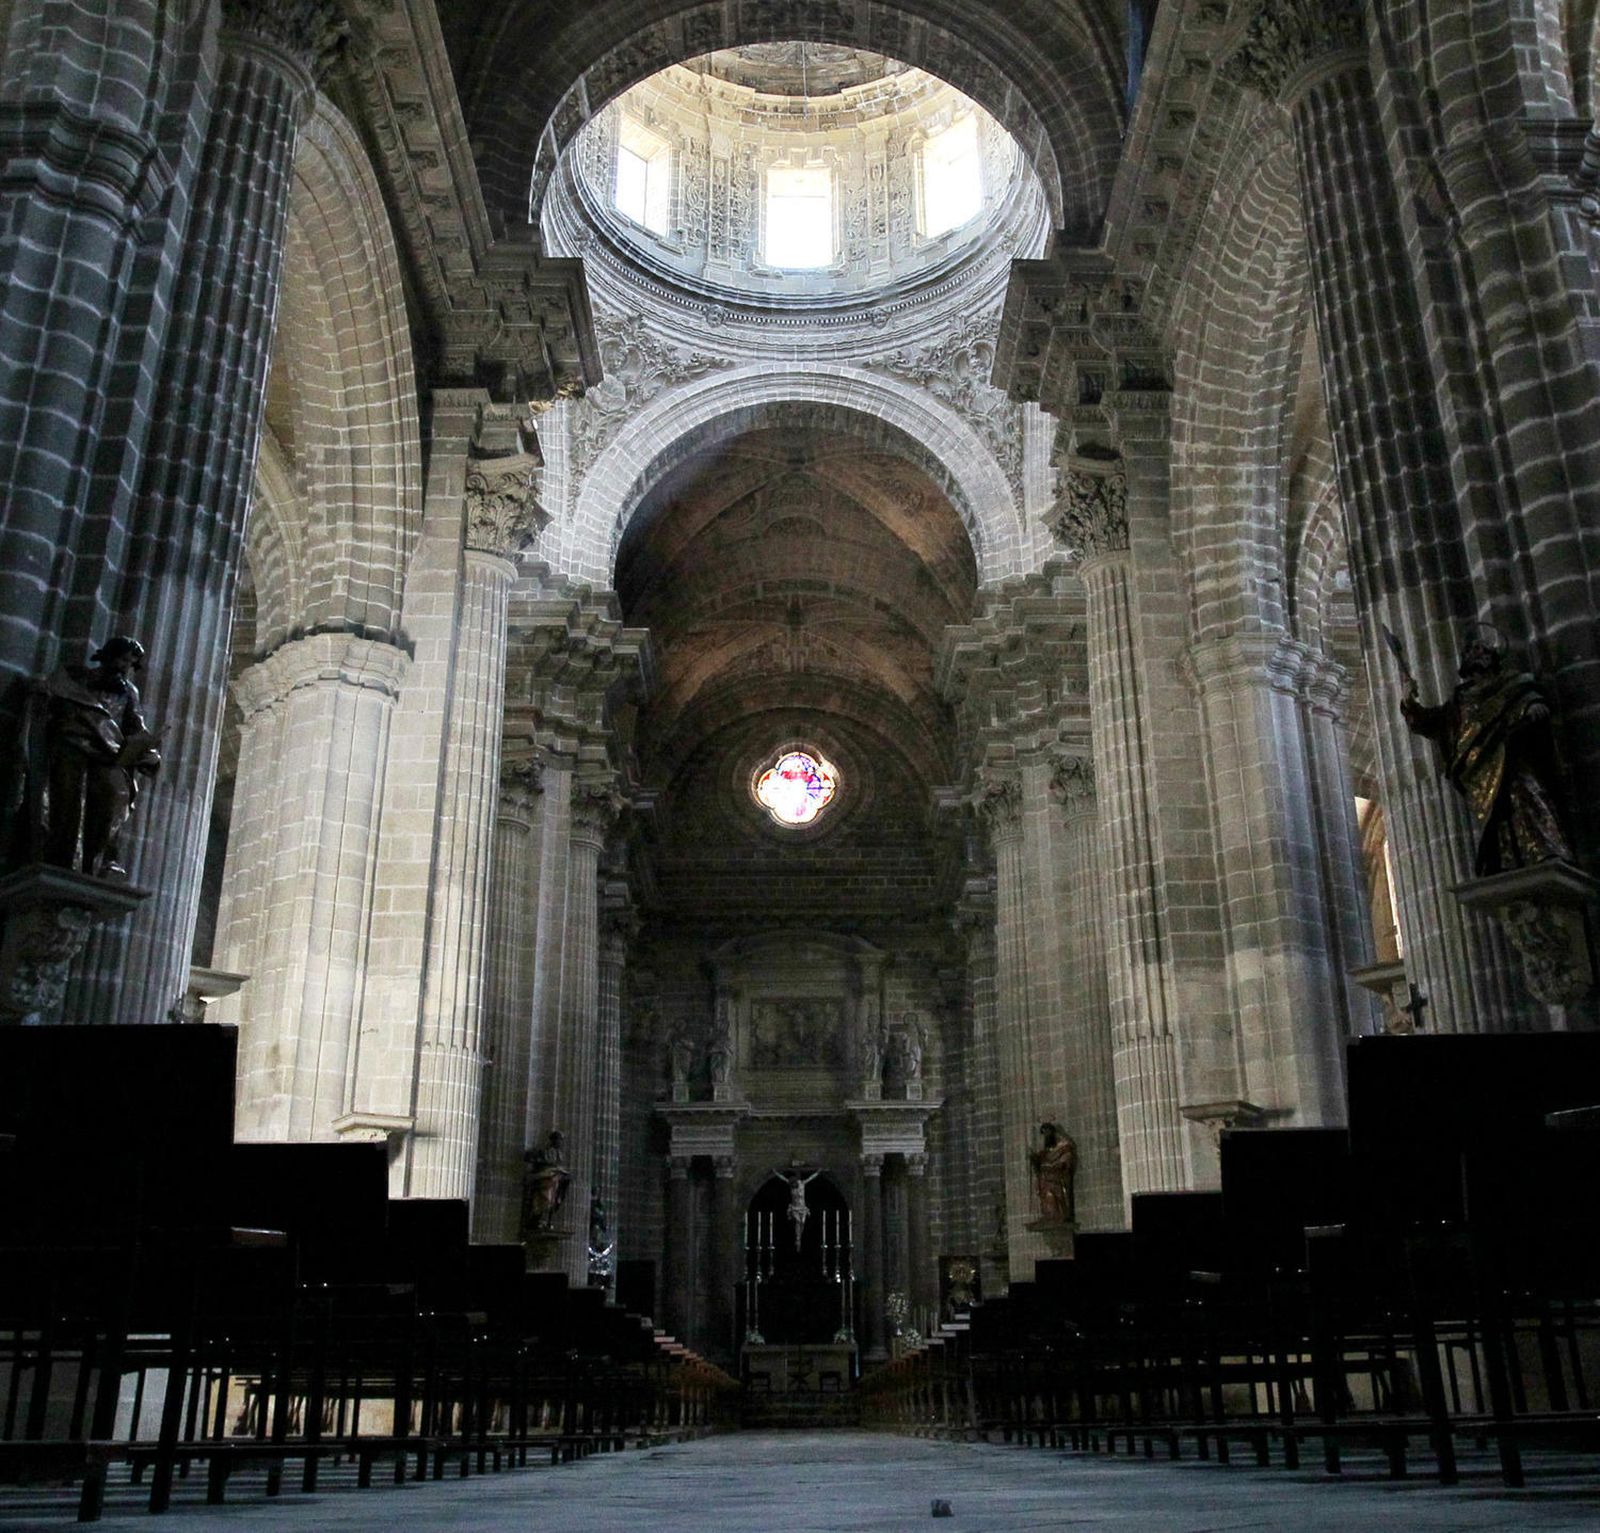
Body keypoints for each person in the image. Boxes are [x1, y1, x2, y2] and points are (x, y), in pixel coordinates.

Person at [1399, 632, 1572, 876]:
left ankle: (1546, 850)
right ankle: (1509, 861)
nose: (1477, 655)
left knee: (1524, 792)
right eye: (1472, 652)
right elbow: (1431, 723)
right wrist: (1409, 701)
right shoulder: (1460, 700)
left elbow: (1526, 697)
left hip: (1509, 754)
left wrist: (1533, 705)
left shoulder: (1512, 683)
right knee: (1496, 818)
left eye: (1482, 650)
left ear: (1493, 657)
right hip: (1478, 769)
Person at [40, 636, 161, 877]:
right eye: (122, 659)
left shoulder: (128, 692)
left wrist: (150, 754)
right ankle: (61, 857)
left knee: (116, 790)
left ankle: (99, 861)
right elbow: (52, 703)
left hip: (108, 756)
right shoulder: (77, 679)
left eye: (130, 662)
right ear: (108, 655)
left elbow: (136, 727)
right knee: (68, 790)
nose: (124, 666)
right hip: (73, 745)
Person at [521, 1130, 571, 1237]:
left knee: (553, 1202)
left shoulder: (559, 1154)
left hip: (555, 1181)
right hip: (546, 1181)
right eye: (559, 1140)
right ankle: (538, 1220)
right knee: (545, 1201)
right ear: (554, 1141)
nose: (560, 1143)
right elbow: (540, 1162)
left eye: (561, 1141)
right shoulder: (548, 1152)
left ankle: (546, 1221)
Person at [1030, 1122, 1077, 1225]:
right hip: (1045, 1181)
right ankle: (1049, 1215)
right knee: (1046, 1197)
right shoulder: (1044, 1152)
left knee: (1054, 1197)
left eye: (1048, 1132)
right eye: (1044, 1133)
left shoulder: (1062, 1147)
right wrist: (1034, 1160)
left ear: (1053, 1133)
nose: (1046, 1135)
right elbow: (1039, 1164)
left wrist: (1056, 1165)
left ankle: (1059, 1215)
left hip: (1057, 1180)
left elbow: (1066, 1161)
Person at [779, 1167, 820, 1251]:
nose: (793, 1186)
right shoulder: (791, 1185)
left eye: (794, 1185)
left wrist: (818, 1172)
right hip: (794, 1208)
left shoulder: (802, 1184)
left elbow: (811, 1178)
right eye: (792, 1185)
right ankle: (798, 1240)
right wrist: (776, 1173)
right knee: (798, 1222)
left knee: (803, 1222)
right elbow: (783, 1178)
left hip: (802, 1208)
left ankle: (799, 1238)